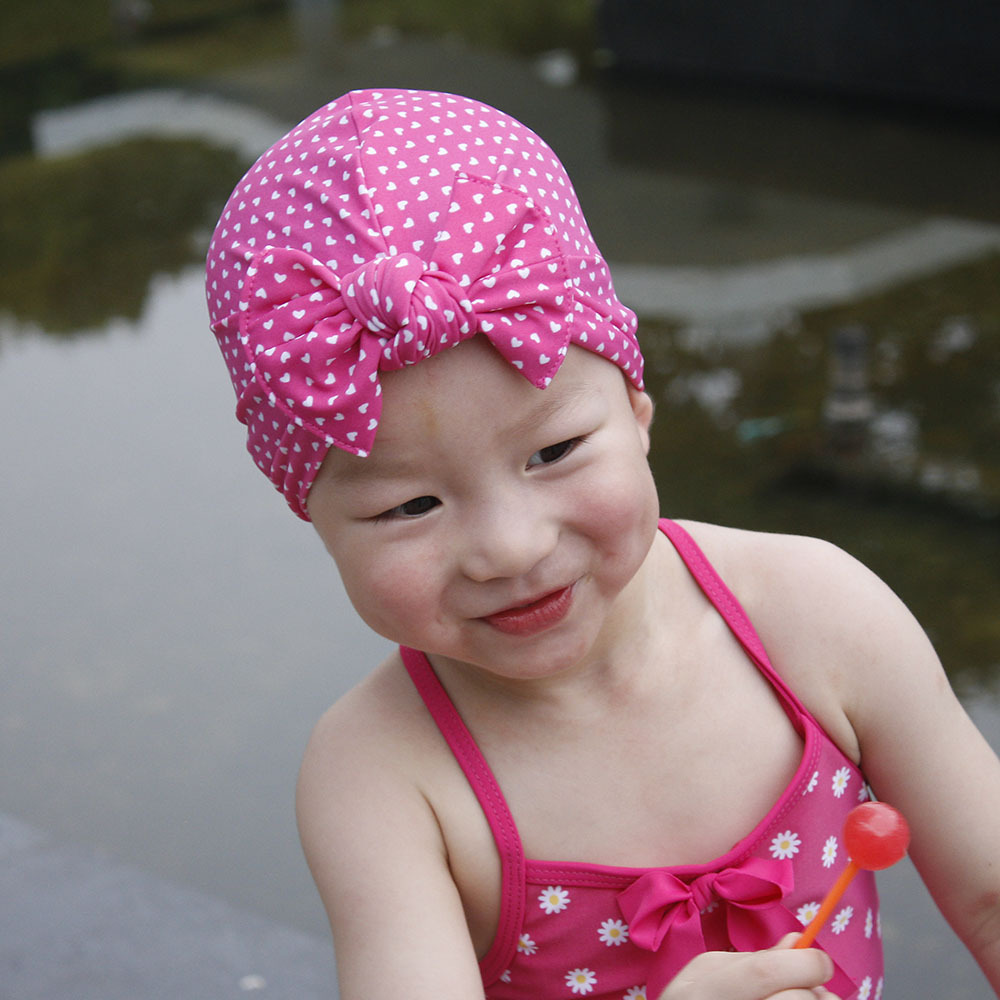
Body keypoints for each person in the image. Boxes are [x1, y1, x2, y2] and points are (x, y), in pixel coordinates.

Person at [205, 88, 1000, 1000]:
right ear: (311, 516)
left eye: (554, 451)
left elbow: (991, 898)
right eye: (409, 507)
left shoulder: (816, 612)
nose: (508, 547)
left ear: (636, 405)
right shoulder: (383, 776)